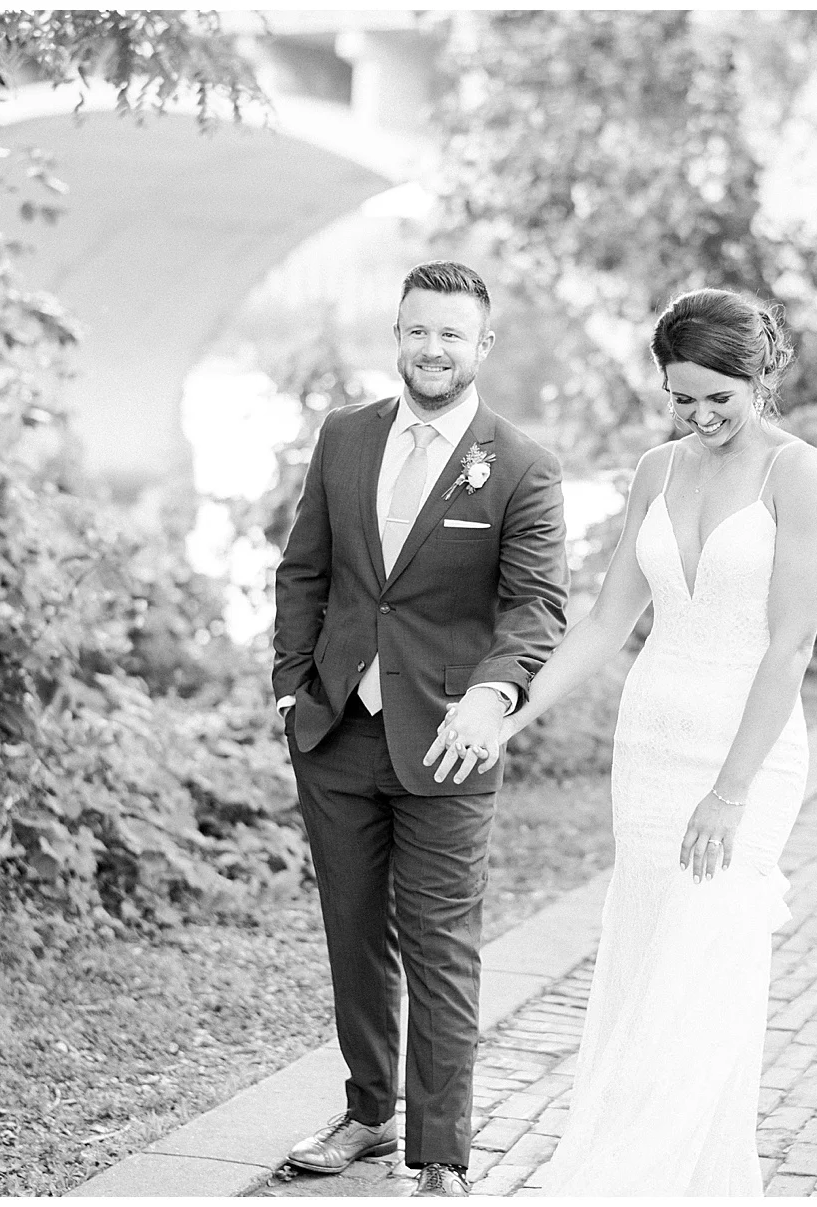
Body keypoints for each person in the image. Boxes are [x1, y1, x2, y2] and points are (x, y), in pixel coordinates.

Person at [426, 287, 817, 1195]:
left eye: (718, 397)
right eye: (681, 397)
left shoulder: (798, 473)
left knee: (706, 969)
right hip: (650, 749)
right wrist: (508, 714)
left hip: (746, 753)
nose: (700, 416)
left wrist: (729, 791)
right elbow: (606, 622)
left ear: (761, 375)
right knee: (648, 957)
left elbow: (791, 646)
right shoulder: (656, 469)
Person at [272, 261, 570, 1198]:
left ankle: (440, 1153)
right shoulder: (345, 436)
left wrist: (494, 697)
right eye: (417, 330)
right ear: (397, 335)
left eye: (451, 334)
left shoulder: (521, 465)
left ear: (482, 345)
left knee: (440, 945)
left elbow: (536, 607)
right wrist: (290, 689)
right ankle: (367, 1115)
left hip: (449, 738)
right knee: (352, 930)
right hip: (335, 730)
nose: (432, 348)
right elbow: (304, 569)